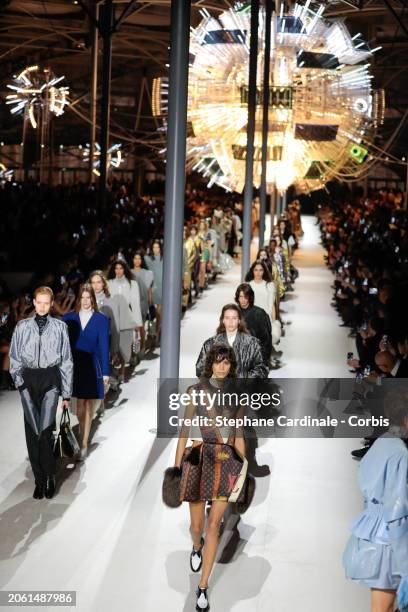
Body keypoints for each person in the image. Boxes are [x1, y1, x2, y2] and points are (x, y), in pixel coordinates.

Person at [174, 343, 246, 612]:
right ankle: (196, 546)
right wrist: (176, 468)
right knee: (197, 527)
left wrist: (242, 472)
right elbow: (184, 432)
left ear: (231, 366)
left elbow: (238, 436)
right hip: (197, 459)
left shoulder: (237, 397)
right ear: (209, 364)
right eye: (217, 362)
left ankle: (203, 586)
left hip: (225, 463)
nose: (221, 367)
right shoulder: (195, 393)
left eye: (226, 362)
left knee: (214, 525)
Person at [343, 390, 408, 612]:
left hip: (375, 530)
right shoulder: (400, 452)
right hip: (389, 541)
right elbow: (397, 511)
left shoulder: (383, 441)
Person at [9, 286, 73, 499]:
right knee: (32, 433)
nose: (43, 306)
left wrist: (66, 394)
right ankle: (39, 480)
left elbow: (66, 361)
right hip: (28, 381)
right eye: (39, 302)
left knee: (45, 432)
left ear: (52, 303)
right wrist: (20, 383)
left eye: (47, 302)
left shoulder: (60, 327)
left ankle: (49, 476)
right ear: (34, 303)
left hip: (51, 381)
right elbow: (15, 357)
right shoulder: (22, 327)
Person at [63, 284, 110, 460]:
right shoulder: (69, 318)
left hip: (92, 365)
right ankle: (82, 432)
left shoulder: (101, 319)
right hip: (74, 366)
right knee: (79, 406)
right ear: (78, 299)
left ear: (93, 299)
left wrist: (106, 372)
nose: (85, 301)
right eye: (82, 297)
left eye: (88, 297)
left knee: (88, 404)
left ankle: (83, 443)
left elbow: (104, 347)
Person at [196, 303, 268, 378]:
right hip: (218, 388)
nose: (231, 322)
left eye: (234, 318)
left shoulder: (253, 344)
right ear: (223, 320)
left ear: (239, 320)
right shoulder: (210, 344)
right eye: (227, 318)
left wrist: (245, 381)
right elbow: (200, 368)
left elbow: (262, 368)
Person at [108, 259, 142, 380]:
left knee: (124, 344)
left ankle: (122, 372)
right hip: (112, 317)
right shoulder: (108, 283)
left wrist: (137, 323)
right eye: (116, 268)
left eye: (121, 268)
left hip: (126, 316)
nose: (118, 271)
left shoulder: (132, 284)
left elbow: (135, 304)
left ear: (124, 269)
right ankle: (115, 370)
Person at [235, 283, 272, 368]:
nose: (243, 300)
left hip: (254, 356)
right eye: (240, 297)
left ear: (250, 297)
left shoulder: (259, 314)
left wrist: (263, 361)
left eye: (245, 297)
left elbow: (266, 340)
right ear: (237, 297)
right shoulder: (233, 312)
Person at [131, 251, 154, 355]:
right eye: (135, 258)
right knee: (132, 328)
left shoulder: (146, 273)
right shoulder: (129, 273)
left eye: (139, 258)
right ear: (132, 260)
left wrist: (150, 302)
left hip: (142, 301)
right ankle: (134, 351)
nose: (137, 261)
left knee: (141, 326)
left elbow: (148, 288)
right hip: (131, 302)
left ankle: (143, 346)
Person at [144, 240, 163, 343]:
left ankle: (157, 333)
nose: (156, 249)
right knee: (152, 312)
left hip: (161, 287)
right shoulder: (148, 259)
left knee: (159, 311)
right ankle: (152, 333)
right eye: (154, 247)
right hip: (152, 287)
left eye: (157, 247)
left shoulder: (164, 259)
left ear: (160, 248)